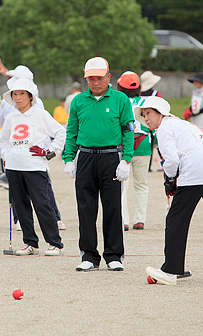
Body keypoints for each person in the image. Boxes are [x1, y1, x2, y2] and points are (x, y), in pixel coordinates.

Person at [136, 96, 203, 285]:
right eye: (144, 115)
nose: (146, 118)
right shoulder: (186, 125)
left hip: (195, 171)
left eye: (148, 113)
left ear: (161, 113)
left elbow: (172, 160)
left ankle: (171, 270)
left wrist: (170, 179)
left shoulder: (164, 128)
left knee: (176, 218)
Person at [63, 57, 134, 272]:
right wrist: (68, 158)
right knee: (85, 208)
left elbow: (128, 131)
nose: (95, 82)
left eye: (99, 78)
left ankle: (114, 255)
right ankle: (89, 255)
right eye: (91, 78)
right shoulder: (78, 101)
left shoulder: (120, 99)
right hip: (85, 157)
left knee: (112, 207)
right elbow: (71, 132)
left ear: (109, 77)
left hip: (111, 157)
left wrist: (126, 159)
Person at [0, 78, 66, 256]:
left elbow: (60, 133)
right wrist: (7, 156)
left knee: (42, 204)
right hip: (14, 167)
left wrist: (49, 152)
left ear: (30, 97)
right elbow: (3, 140)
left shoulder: (40, 114)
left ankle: (54, 243)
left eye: (22, 94)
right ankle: (30, 243)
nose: (18, 98)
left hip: (35, 167)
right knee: (20, 206)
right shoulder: (11, 117)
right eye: (15, 94)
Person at [116, 71, 150, 231]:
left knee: (122, 185)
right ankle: (140, 220)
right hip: (143, 145)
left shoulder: (118, 101)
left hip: (123, 145)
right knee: (141, 184)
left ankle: (123, 220)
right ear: (139, 87)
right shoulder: (146, 102)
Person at [140, 70, 162, 172]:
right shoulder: (155, 93)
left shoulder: (138, 94)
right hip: (154, 122)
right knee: (155, 143)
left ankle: (145, 165)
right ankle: (150, 165)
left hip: (141, 121)